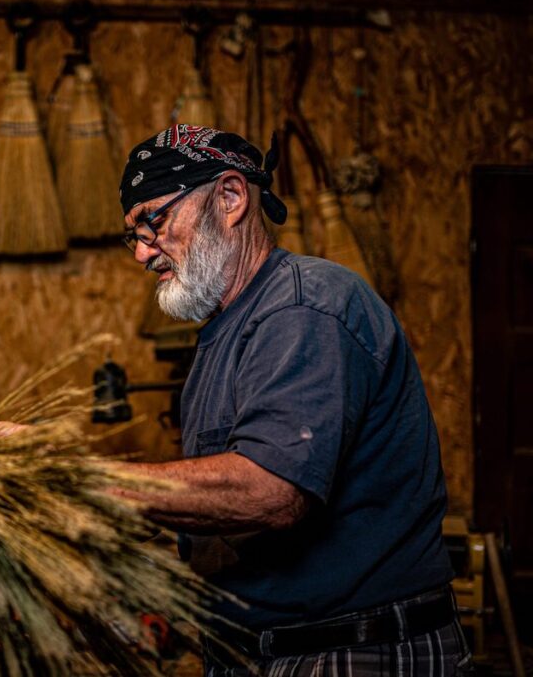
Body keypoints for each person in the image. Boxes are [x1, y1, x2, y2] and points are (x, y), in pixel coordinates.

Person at [108, 125, 472, 676]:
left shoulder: (303, 309)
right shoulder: (227, 329)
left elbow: (271, 491)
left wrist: (85, 481)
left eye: (152, 221)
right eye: (131, 234)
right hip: (262, 649)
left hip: (350, 653)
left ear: (230, 198)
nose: (140, 253)